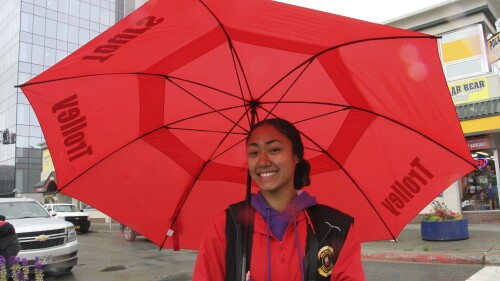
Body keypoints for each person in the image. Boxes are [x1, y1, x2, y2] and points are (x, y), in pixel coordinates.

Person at [193, 118, 365, 280]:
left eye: (274, 149)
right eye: (253, 152)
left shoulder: (335, 228)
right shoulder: (225, 227)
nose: (262, 161)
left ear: (296, 156)